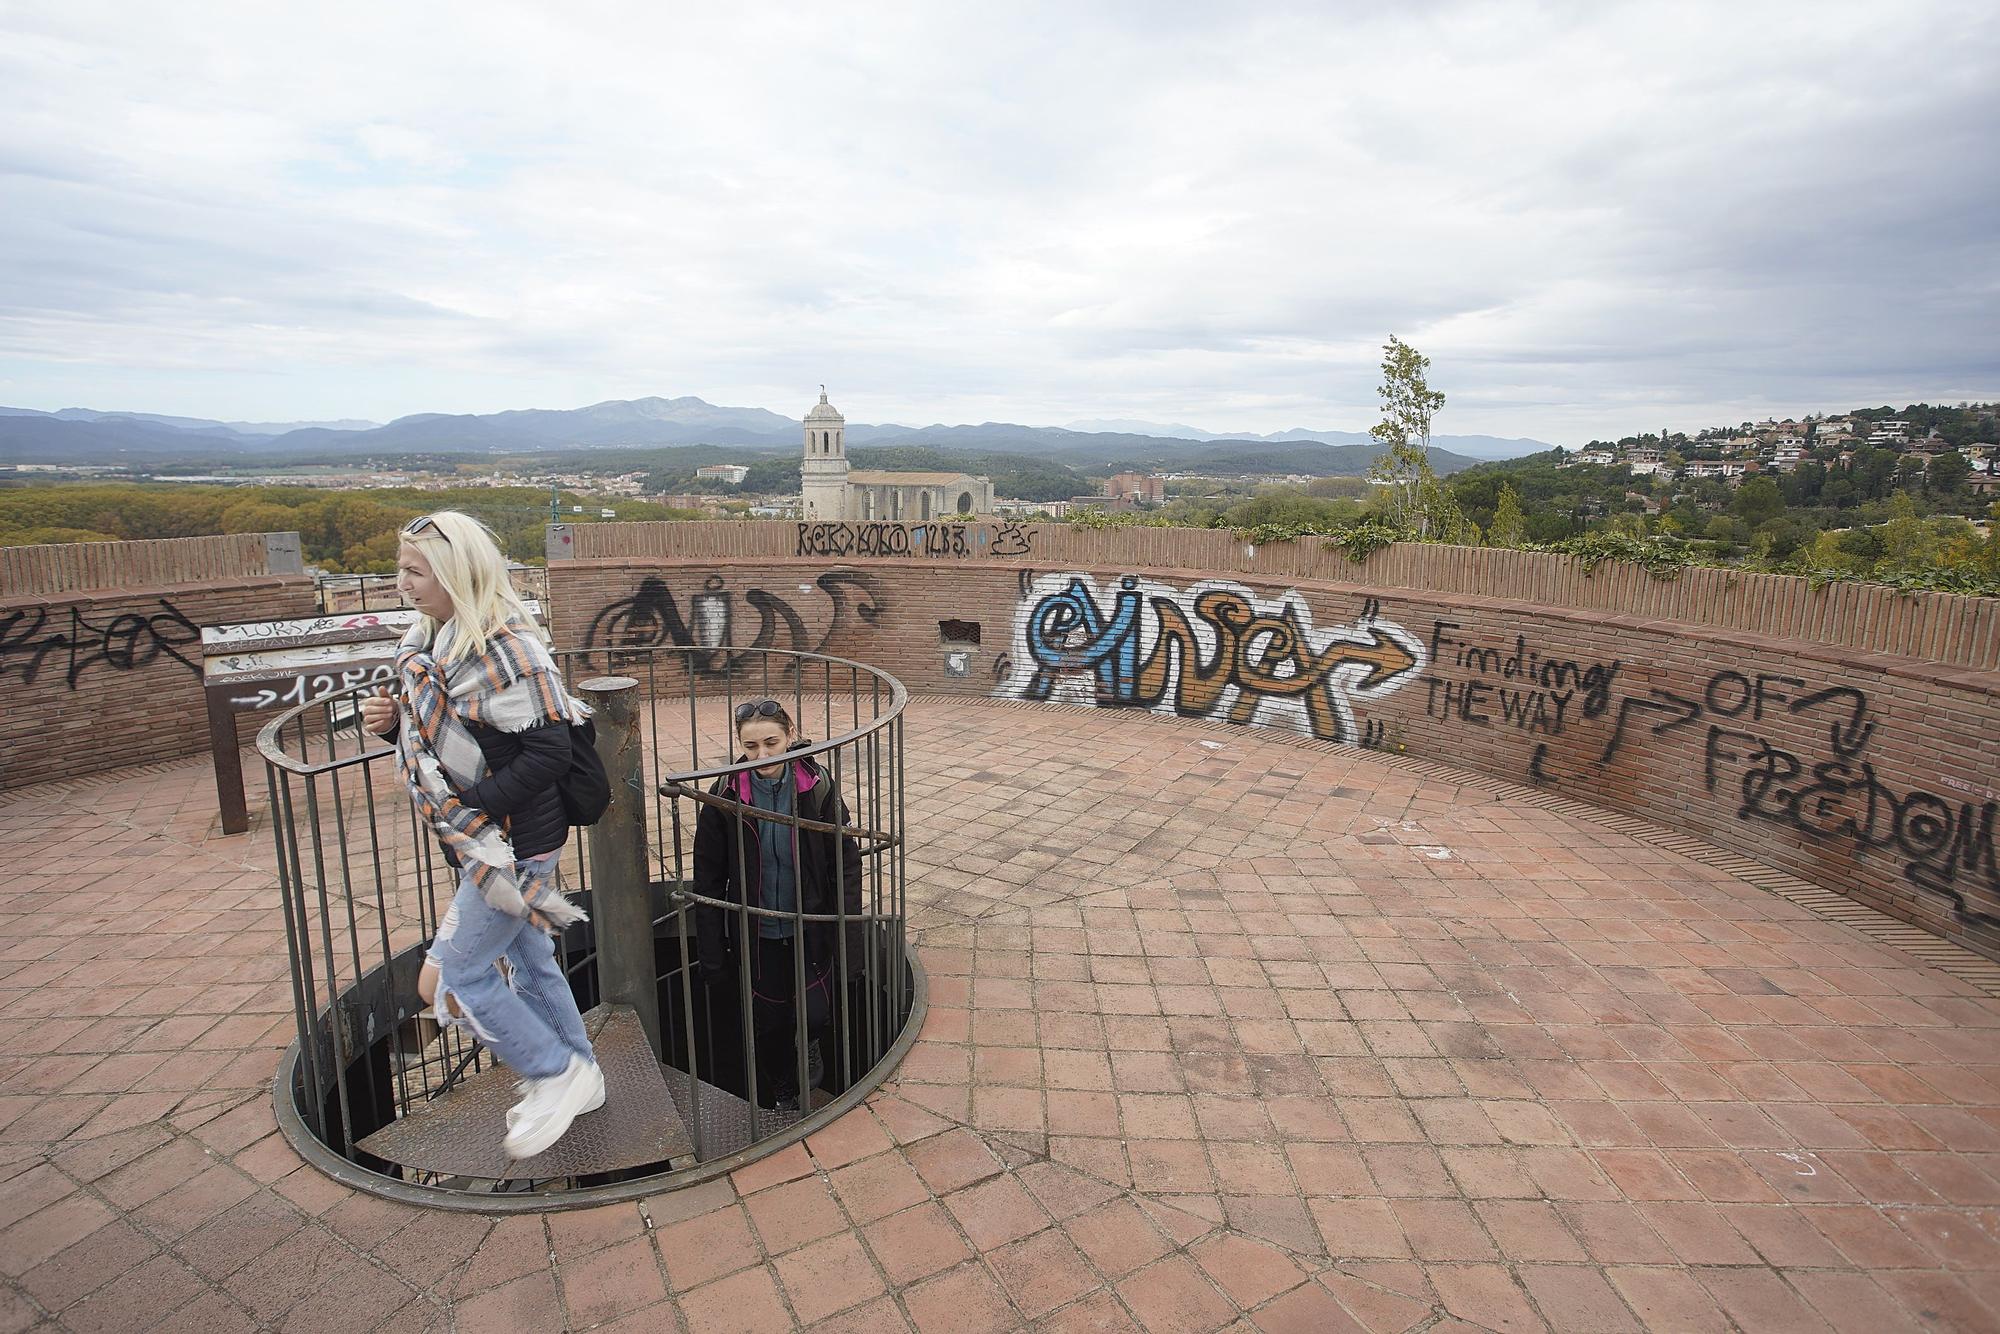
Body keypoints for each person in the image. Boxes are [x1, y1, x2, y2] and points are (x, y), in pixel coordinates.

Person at [360, 511, 603, 1160]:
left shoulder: (506, 649)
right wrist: (393, 728)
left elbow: (547, 755)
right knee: (528, 961)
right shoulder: (433, 642)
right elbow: (456, 742)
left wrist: (472, 807)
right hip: (486, 840)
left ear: (455, 572)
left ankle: (556, 1073)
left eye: (415, 570)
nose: (402, 583)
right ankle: (584, 1074)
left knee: (456, 976)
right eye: (402, 568)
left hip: (515, 844)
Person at [693, 698, 863, 1112]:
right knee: (768, 1023)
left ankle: (810, 1051)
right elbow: (708, 876)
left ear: (790, 736)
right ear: (739, 745)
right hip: (757, 931)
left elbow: (845, 861)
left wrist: (851, 938)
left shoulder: (815, 785)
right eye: (751, 747)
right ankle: (785, 1092)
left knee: (815, 1013)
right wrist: (712, 955)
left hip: (810, 925)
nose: (762, 756)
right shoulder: (725, 792)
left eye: (771, 742)